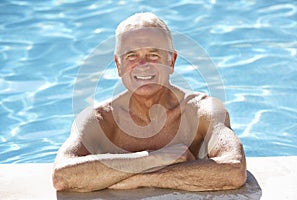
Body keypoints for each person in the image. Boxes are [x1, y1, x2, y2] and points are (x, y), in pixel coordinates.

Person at [52, 12, 247, 192]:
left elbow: (234, 170)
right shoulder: (100, 119)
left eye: (153, 55)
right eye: (131, 56)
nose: (142, 65)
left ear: (171, 61)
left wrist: (141, 179)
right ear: (119, 66)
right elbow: (62, 177)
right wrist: (155, 158)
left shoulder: (201, 110)